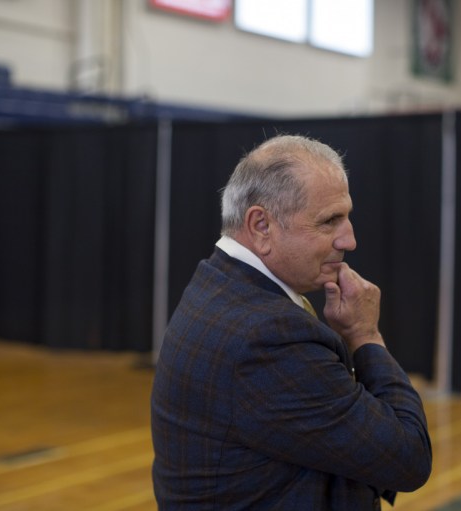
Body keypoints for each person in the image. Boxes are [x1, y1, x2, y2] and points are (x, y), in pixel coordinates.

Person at [151, 134, 432, 510]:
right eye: (330, 221)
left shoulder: (220, 283)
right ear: (261, 225)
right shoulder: (266, 337)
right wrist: (365, 334)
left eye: (347, 216)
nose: (349, 239)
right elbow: (407, 457)